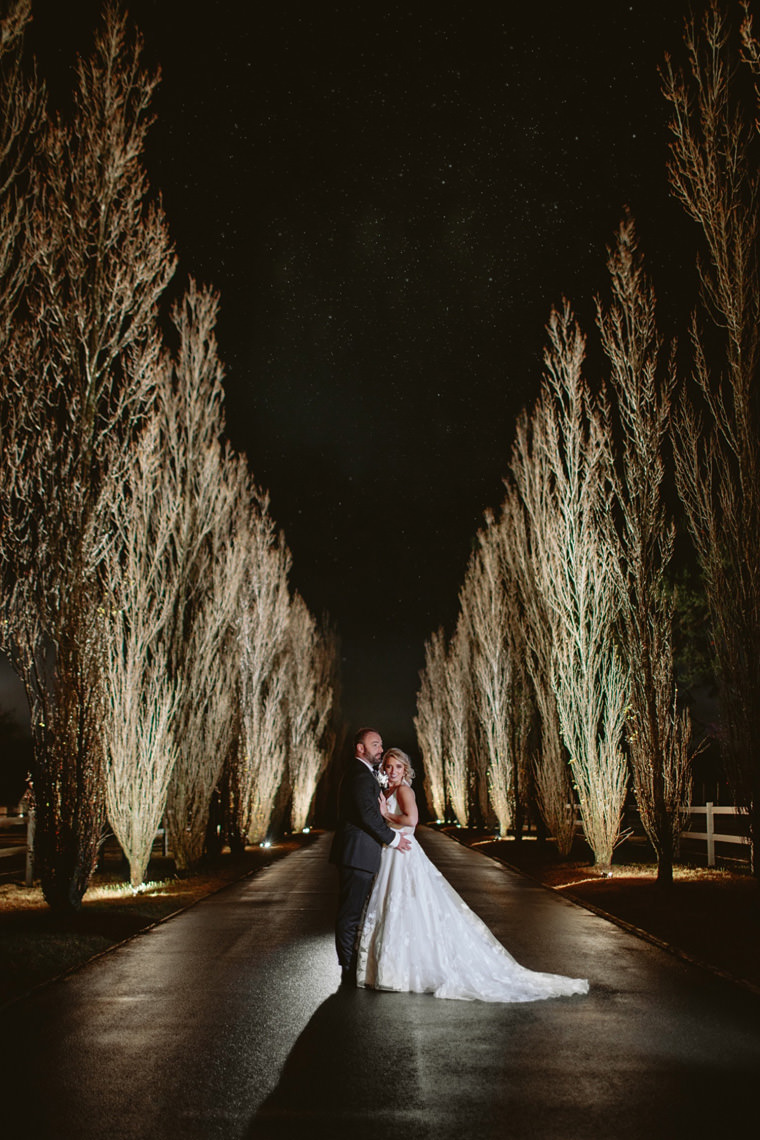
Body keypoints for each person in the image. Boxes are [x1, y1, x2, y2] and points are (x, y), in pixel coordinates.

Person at [356, 747, 589, 1002]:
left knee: (406, 906)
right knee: (394, 907)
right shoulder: (387, 790)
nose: (392, 771)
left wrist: (386, 814)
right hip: (391, 853)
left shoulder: (403, 790)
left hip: (403, 855)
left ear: (405, 770)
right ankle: (388, 970)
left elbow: (412, 821)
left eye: (397, 767)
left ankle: (399, 972)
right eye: (388, 766)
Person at [329, 727, 412, 987]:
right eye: (375, 744)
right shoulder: (360, 776)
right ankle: (348, 970)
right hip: (357, 854)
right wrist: (395, 838)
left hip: (360, 854)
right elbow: (367, 816)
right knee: (351, 914)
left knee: (356, 912)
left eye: (381, 744)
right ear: (360, 748)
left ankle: (353, 965)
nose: (380, 749)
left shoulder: (364, 774)